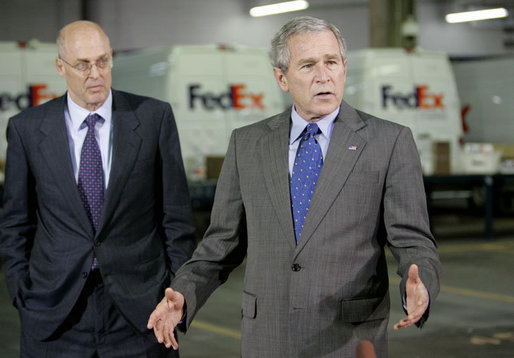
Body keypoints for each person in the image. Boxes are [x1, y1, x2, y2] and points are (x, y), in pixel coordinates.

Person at [147, 16, 442, 357]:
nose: (323, 75)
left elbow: (413, 240)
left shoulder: (388, 142)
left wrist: (421, 286)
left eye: (332, 62)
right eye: (308, 65)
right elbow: (220, 243)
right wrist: (183, 292)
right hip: (267, 336)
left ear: (344, 67)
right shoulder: (247, 144)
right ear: (281, 78)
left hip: (348, 338)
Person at [0, 20, 196, 357]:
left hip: (142, 312)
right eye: (83, 64)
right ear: (60, 67)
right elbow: (16, 222)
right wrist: (23, 292)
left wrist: (175, 289)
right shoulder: (27, 129)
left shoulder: (153, 118)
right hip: (54, 312)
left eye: (103, 61)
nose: (96, 73)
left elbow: (177, 217)